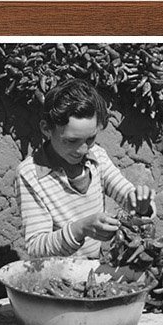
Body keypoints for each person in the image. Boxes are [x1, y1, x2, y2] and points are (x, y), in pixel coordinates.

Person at [16, 79, 154, 259]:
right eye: (71, 141)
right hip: (55, 278)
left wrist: (140, 203)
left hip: (91, 269)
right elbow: (36, 247)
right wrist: (80, 229)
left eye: (90, 139)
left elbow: (126, 195)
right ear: (46, 129)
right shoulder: (31, 174)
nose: (83, 150)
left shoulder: (97, 157)